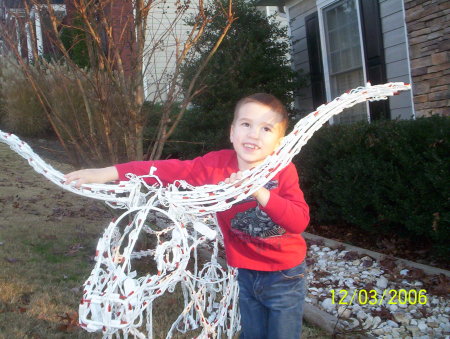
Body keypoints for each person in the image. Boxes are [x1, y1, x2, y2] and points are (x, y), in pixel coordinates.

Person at [65, 93, 310, 339]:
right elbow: (168, 171)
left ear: (279, 142)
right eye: (246, 124)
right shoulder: (216, 166)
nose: (254, 134)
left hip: (285, 274)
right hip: (246, 271)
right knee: (253, 333)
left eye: (266, 128)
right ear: (232, 132)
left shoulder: (283, 171)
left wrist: (258, 191)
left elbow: (298, 221)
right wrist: (110, 172)